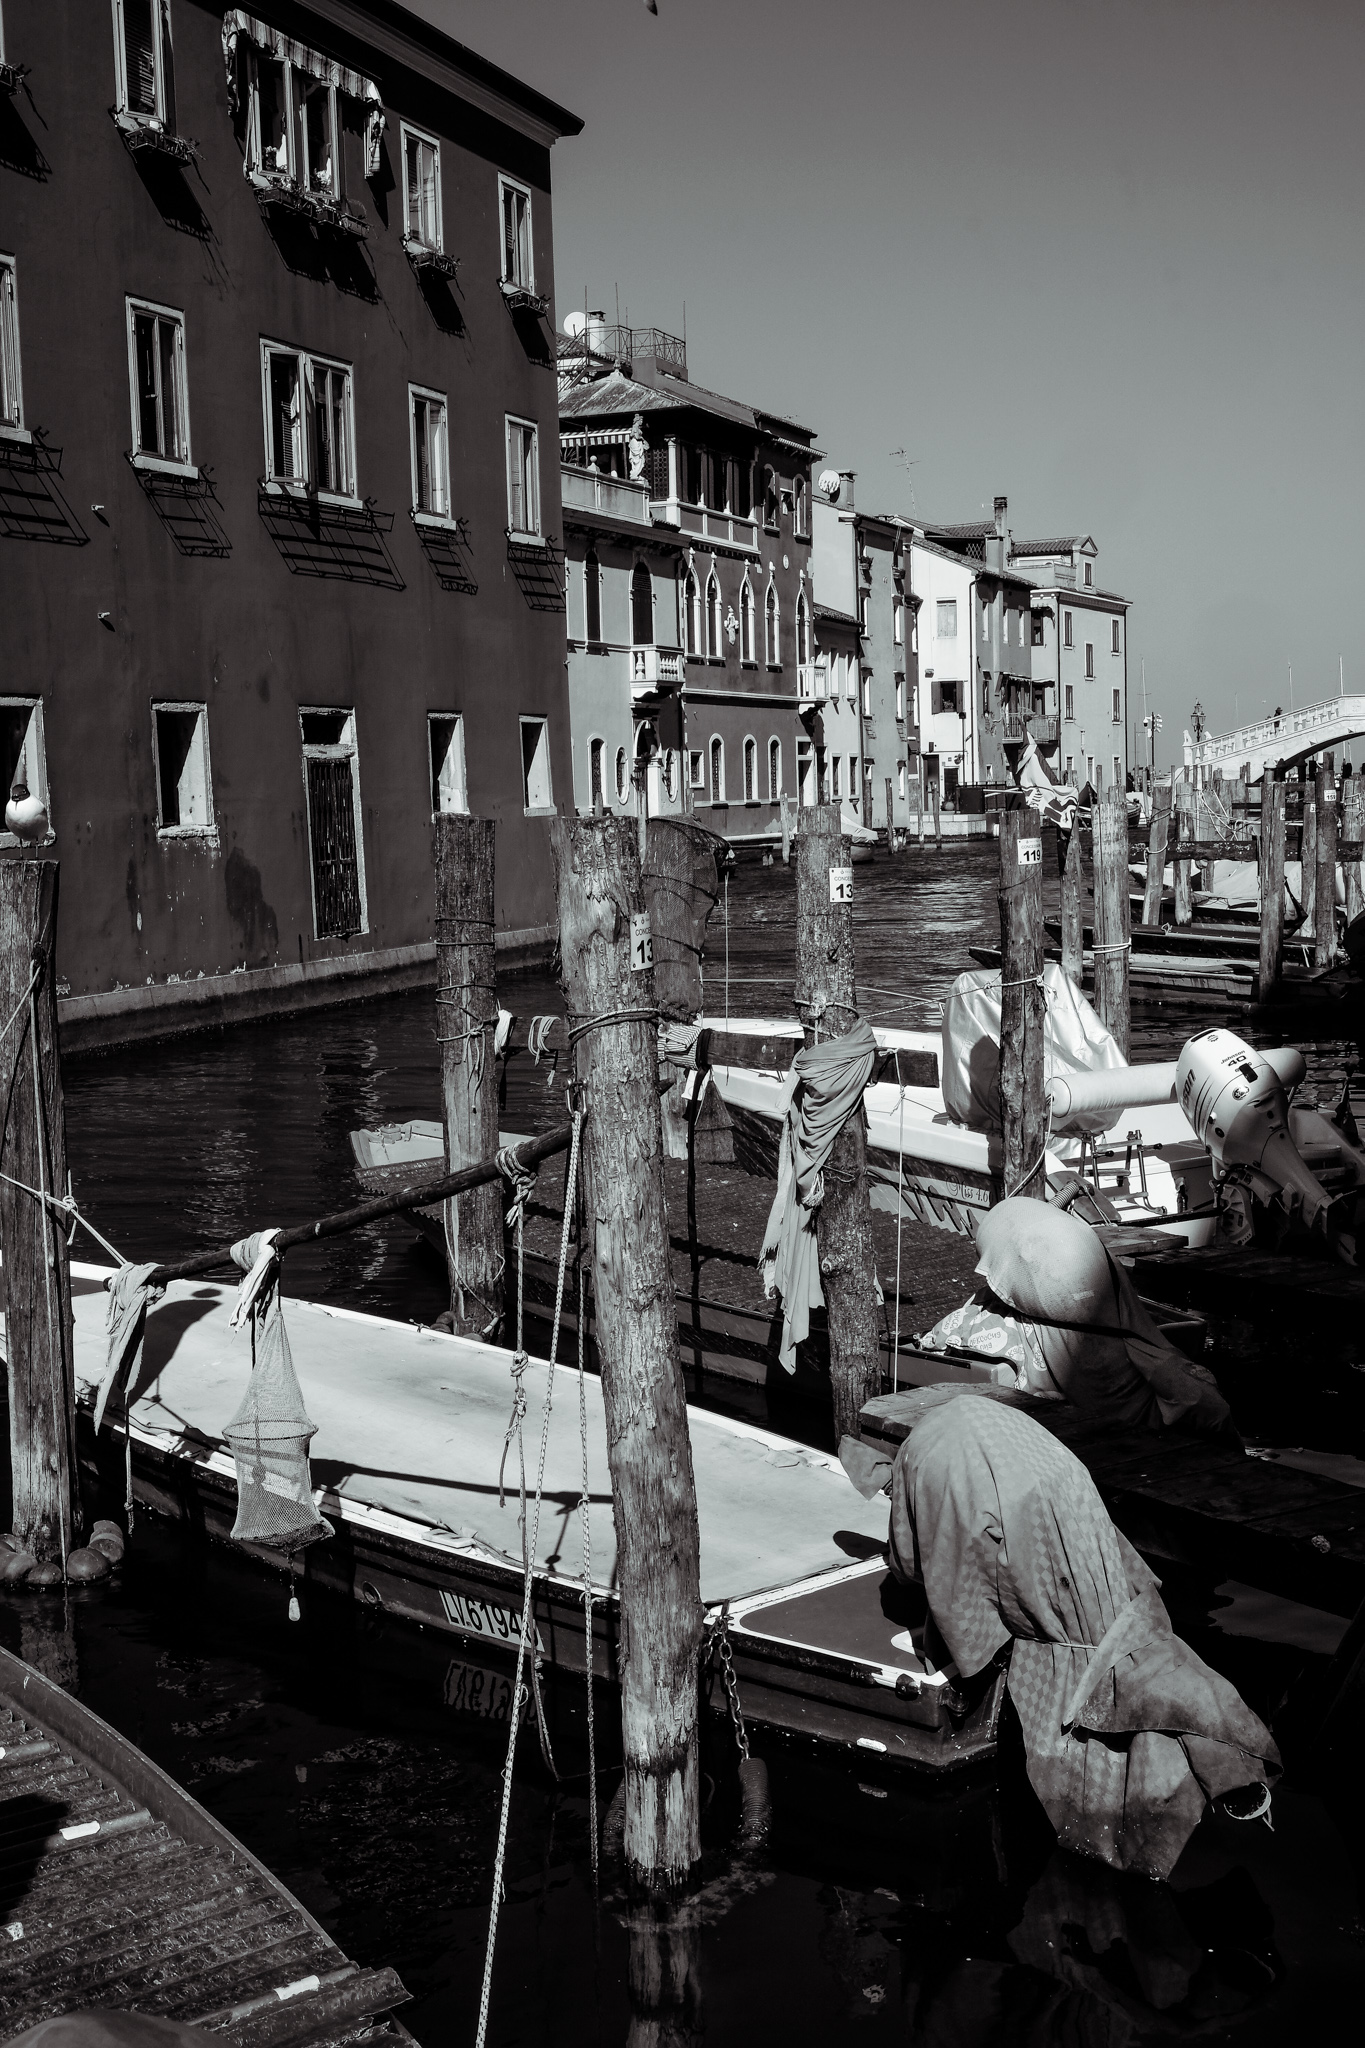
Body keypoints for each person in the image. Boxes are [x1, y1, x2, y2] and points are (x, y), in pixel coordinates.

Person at [843, 1395, 1279, 1878]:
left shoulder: (920, 1466)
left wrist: (967, 1655)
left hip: (1007, 1497)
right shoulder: (942, 1428)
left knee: (1070, 1646)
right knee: (1113, 1624)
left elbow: (920, 1566)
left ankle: (1145, 1798)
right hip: (1064, 1482)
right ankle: (1226, 1752)